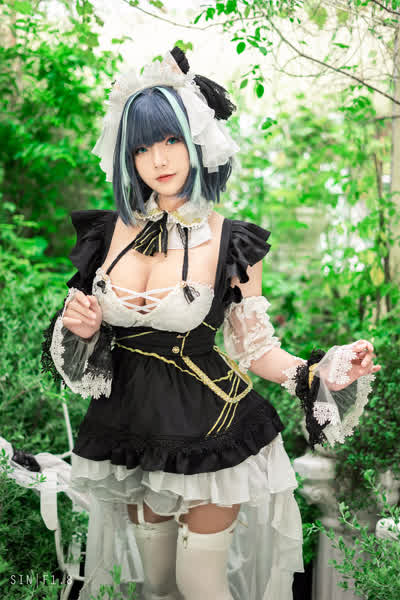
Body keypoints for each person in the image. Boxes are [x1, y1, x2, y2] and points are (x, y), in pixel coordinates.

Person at [41, 47, 381, 600]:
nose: (158, 159)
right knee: (156, 586)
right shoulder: (107, 234)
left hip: (211, 429)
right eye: (142, 147)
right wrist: (83, 331)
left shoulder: (230, 241)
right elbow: (87, 355)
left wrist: (319, 373)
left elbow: (255, 349)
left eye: (171, 140)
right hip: (132, 431)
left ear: (198, 141)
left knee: (199, 584)